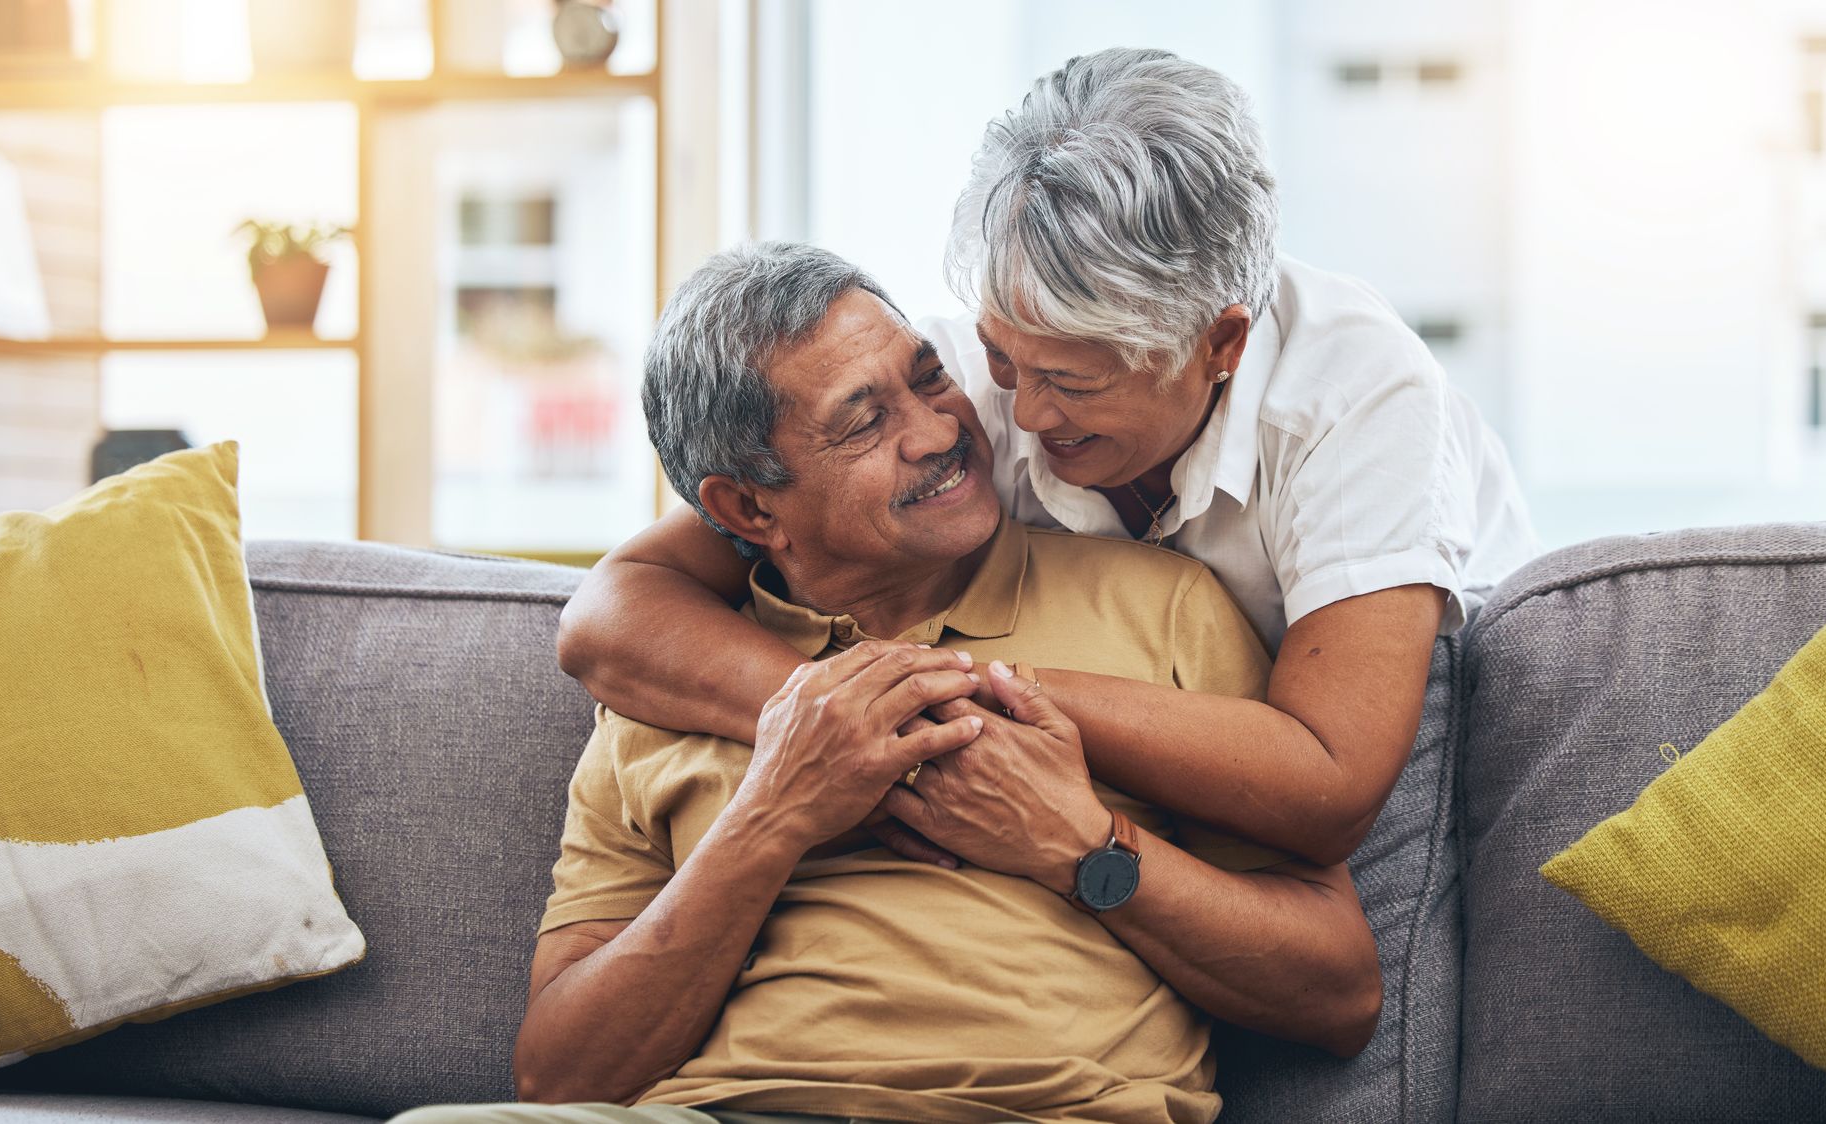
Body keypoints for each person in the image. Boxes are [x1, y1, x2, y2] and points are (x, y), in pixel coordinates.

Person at [390, 243, 1381, 1124]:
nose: (939, 430)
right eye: (865, 421)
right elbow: (556, 1076)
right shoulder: (670, 688)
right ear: (747, 505)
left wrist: (1082, 848)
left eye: (929, 378)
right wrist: (770, 818)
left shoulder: (1162, 607)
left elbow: (1338, 991)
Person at [557, 48, 1540, 870]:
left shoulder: (1356, 398)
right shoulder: (951, 388)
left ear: (1219, 345)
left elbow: (1331, 786)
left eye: (1073, 382)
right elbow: (610, 615)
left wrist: (969, 688)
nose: (1019, 411)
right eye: (998, 357)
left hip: (1419, 767)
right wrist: (850, 720)